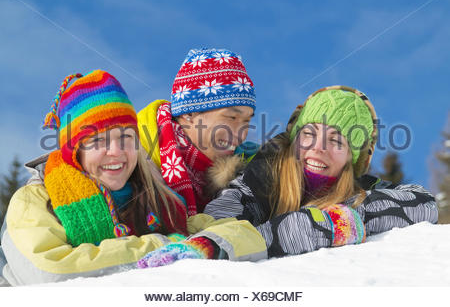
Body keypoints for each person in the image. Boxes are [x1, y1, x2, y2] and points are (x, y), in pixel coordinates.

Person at [0, 70, 265, 285]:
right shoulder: (36, 200)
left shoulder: (155, 197)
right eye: (98, 141)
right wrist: (158, 246)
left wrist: (204, 246)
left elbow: (244, 235)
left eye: (125, 138)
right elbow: (49, 272)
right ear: (73, 150)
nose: (115, 153)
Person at [201, 85, 438, 258]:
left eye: (336, 141)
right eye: (309, 134)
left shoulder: (363, 191)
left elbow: (424, 203)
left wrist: (335, 220)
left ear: (351, 159)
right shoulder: (261, 177)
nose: (318, 148)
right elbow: (216, 226)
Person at [137, 48, 258, 217]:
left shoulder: (251, 166)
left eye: (247, 121)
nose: (240, 136)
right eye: (231, 117)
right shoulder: (129, 162)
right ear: (189, 114)